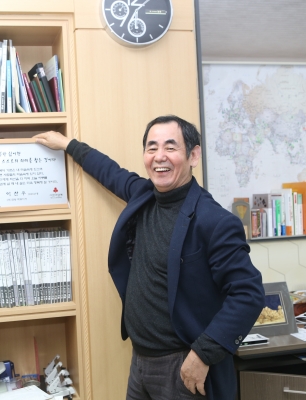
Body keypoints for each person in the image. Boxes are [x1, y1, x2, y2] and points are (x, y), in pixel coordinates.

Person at [34, 115, 265, 400]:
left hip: (183, 365)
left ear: (193, 155)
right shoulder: (144, 195)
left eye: (171, 147)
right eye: (151, 147)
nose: (159, 156)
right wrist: (68, 144)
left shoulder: (215, 221)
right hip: (140, 362)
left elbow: (249, 293)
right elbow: (110, 172)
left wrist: (203, 353)